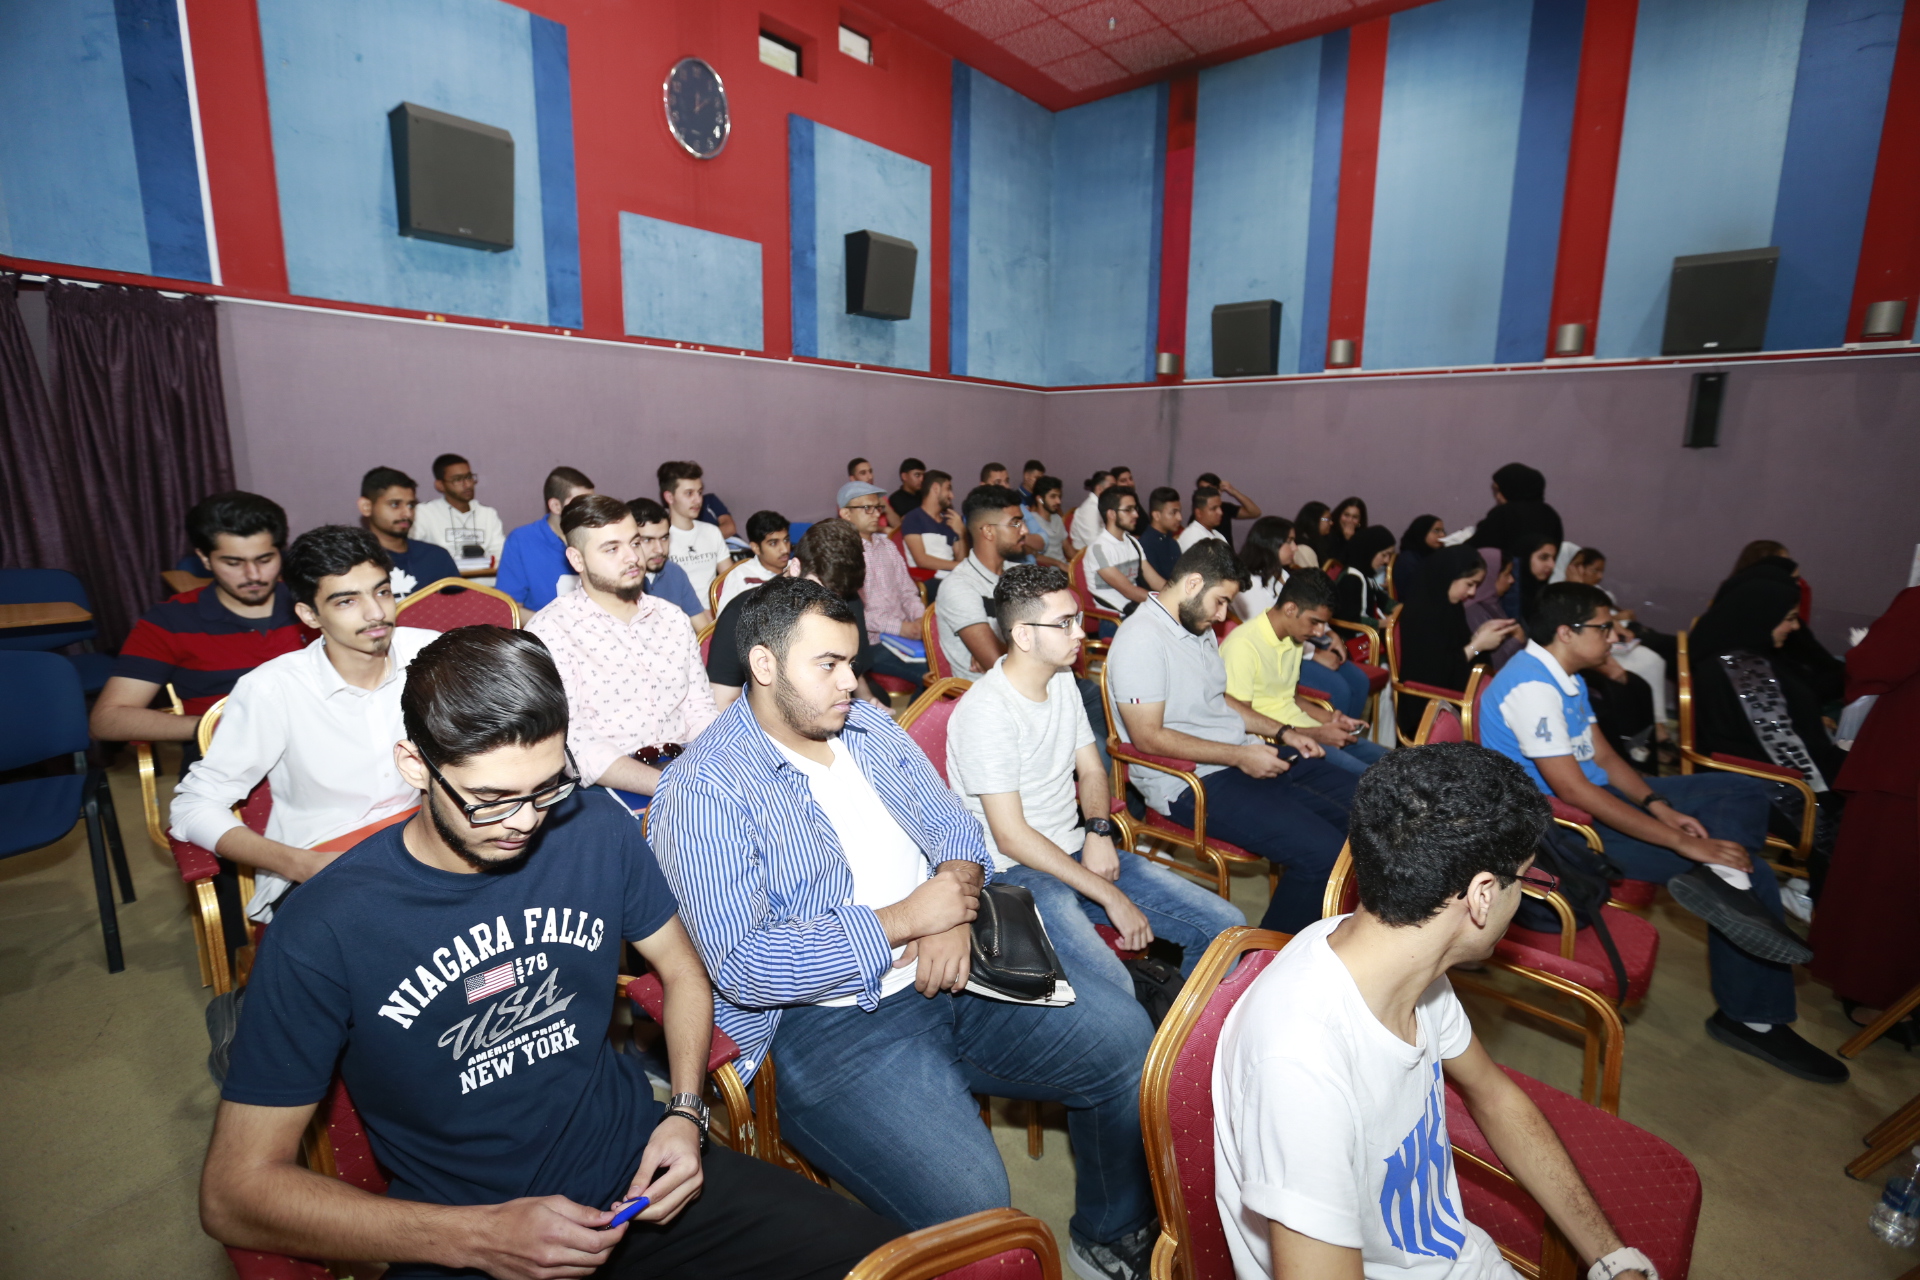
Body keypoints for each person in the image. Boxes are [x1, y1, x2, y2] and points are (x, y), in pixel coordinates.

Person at [198, 625, 900, 1280]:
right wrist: (478, 1237)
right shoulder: (325, 925)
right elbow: (234, 1195)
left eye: (545, 787)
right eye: (491, 798)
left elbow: (682, 970)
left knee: (888, 1263)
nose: (526, 822)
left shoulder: (591, 826)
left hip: (638, 1177)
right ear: (415, 765)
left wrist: (686, 1114)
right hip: (464, 1234)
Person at [651, 577, 1160, 1278]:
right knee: (977, 1211)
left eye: (852, 662)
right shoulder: (704, 789)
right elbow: (746, 966)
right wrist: (906, 920)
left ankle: (1109, 1230)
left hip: (958, 960)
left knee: (1126, 1044)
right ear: (764, 666)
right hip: (828, 1023)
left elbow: (959, 830)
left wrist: (951, 911)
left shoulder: (868, 727)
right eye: (828, 664)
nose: (850, 682)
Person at [1214, 743, 1661, 1280]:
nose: (1524, 897)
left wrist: (1614, 1260)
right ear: (1482, 895)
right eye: (1527, 880)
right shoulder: (1300, 1065)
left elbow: (1493, 1095)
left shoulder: (1398, 958)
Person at [1480, 582, 1844, 1083]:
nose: (1615, 636)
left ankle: (1722, 878)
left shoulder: (1564, 675)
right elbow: (1575, 790)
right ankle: (1752, 1020)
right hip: (1562, 829)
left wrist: (1659, 806)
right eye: (1604, 627)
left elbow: (1605, 757)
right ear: (1566, 632)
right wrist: (1682, 841)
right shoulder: (1532, 688)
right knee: (1753, 871)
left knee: (1742, 790)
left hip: (1594, 796)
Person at [947, 563, 1243, 1005]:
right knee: (1116, 991)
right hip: (1015, 874)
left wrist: (1099, 831)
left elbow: (1090, 769)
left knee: (1226, 926)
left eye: (1078, 619)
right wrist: (1109, 894)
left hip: (1072, 848)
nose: (1080, 633)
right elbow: (1010, 837)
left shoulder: (1062, 677)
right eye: (1065, 623)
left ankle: (1190, 1035)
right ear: (1024, 635)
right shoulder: (986, 712)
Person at [169, 526, 432, 925]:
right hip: (321, 856)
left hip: (427, 838)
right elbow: (193, 806)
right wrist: (302, 864)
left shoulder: (431, 653)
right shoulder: (272, 690)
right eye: (347, 601)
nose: (376, 612)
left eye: (382, 592)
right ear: (309, 614)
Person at [1107, 540, 1357, 935]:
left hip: (1236, 756)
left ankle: (1338, 933)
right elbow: (1147, 737)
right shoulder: (1141, 638)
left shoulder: (1196, 622)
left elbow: (1219, 699)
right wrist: (1239, 756)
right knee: (1323, 854)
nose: (1224, 615)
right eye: (1221, 601)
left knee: (1365, 805)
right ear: (1192, 584)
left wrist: (1285, 732)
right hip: (1189, 782)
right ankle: (1269, 959)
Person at [526, 495, 718, 814]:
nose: (633, 557)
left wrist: (721, 765)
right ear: (577, 559)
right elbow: (573, 741)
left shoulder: (672, 618)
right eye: (612, 549)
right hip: (605, 789)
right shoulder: (551, 631)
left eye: (635, 542)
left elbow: (699, 709)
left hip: (690, 769)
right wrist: (672, 785)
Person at [93, 491, 307, 747]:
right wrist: (215, 727)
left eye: (265, 559)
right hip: (223, 754)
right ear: (205, 559)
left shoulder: (313, 605)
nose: (254, 575)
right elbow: (107, 720)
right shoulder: (171, 621)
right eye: (233, 563)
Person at [1810, 584, 1920, 1044]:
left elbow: (1873, 663)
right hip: (1905, 767)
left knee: (1884, 887)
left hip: (1904, 763)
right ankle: (1889, 996)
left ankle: (1876, 995)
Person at [1688, 572, 1845, 833]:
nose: (1795, 627)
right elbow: (1784, 748)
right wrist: (1828, 793)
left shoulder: (1741, 656)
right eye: (1789, 619)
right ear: (1762, 618)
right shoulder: (1747, 672)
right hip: (1768, 784)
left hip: (1752, 772)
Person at [707, 519, 907, 709]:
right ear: (795, 568)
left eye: (837, 597)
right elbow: (723, 701)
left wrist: (867, 700)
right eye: (819, 591)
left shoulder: (847, 599)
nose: (828, 603)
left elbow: (850, 669)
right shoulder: (743, 613)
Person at [1221, 570, 1388, 780]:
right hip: (1279, 744)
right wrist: (1315, 734)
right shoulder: (1243, 645)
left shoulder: (1293, 637)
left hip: (1306, 732)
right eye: (1315, 622)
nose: (1319, 632)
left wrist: (1331, 718)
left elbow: (1291, 698)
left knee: (1394, 761)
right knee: (1374, 780)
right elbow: (1241, 721)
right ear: (1290, 609)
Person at [1393, 547, 1521, 741]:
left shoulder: (1450, 606)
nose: (1472, 592)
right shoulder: (1422, 613)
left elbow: (1454, 652)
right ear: (1449, 576)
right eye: (1469, 584)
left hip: (1453, 696)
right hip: (1427, 708)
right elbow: (1433, 674)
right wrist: (1477, 645)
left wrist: (1479, 635)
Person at [933, 484, 1030, 679]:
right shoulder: (959, 586)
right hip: (994, 692)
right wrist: (998, 651)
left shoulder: (1021, 574)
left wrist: (1002, 647)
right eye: (1015, 523)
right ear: (988, 531)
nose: (1024, 530)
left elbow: (1057, 633)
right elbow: (999, 666)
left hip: (1037, 680)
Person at [496, 466, 594, 613]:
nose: (590, 511)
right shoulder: (521, 541)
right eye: (580, 504)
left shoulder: (599, 536)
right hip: (542, 624)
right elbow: (510, 608)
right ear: (556, 506)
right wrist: (550, 623)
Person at [838, 480, 925, 646]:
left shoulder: (887, 546)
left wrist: (920, 619)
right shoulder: (841, 554)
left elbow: (907, 591)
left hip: (906, 632)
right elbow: (850, 612)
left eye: (878, 507)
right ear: (846, 514)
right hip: (872, 641)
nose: (877, 514)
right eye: (867, 508)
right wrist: (900, 628)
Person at [356, 467, 460, 598]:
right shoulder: (354, 562)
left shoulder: (436, 557)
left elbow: (460, 607)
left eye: (411, 505)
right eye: (395, 504)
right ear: (366, 507)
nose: (407, 513)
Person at [408, 453, 505, 577]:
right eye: (458, 480)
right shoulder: (424, 513)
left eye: (469, 477)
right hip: (445, 583)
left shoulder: (488, 514)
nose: (467, 484)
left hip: (485, 583)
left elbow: (500, 554)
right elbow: (412, 552)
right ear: (440, 485)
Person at [1084, 486, 1165, 624]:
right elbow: (1129, 591)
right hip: (1114, 619)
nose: (1136, 514)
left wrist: (1179, 593)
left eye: (1135, 509)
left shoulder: (1132, 541)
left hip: (1136, 612)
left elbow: (1154, 580)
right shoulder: (1098, 549)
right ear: (1111, 514)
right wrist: (1168, 600)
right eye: (1128, 510)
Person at [626, 497, 711, 629]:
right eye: (648, 540)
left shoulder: (674, 572)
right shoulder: (619, 580)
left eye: (664, 538)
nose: (659, 549)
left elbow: (702, 628)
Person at [657, 461, 729, 598]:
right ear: (669, 497)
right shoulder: (659, 538)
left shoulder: (712, 532)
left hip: (716, 608)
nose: (698, 500)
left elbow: (730, 579)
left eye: (699, 492)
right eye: (689, 493)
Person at [1468, 462, 1563, 554]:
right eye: (1496, 491)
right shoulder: (1550, 515)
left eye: (1501, 490)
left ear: (1512, 488)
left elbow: (1473, 548)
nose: (1498, 496)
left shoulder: (1505, 513)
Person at [715, 510, 791, 613]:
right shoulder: (741, 577)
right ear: (756, 548)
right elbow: (727, 620)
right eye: (773, 543)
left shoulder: (797, 568)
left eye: (786, 540)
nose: (785, 549)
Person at [1464, 549, 1523, 672]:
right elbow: (1489, 663)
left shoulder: (1492, 603)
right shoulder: (1472, 611)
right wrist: (1517, 640)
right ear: (1491, 577)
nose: (1512, 580)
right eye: (1507, 574)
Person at [901, 469, 967, 578]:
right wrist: (961, 567)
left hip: (951, 577)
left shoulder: (949, 520)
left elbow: (961, 559)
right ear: (936, 488)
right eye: (948, 489)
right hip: (927, 578)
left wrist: (961, 534)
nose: (952, 496)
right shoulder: (913, 518)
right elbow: (921, 560)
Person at [1230, 516, 1296, 623]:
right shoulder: (1248, 583)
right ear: (1270, 544)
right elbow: (1261, 625)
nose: (1295, 548)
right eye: (1289, 541)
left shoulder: (1281, 572)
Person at [1331, 523, 1394, 624]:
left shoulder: (1367, 574)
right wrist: (1382, 623)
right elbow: (1349, 620)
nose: (1387, 561)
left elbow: (1383, 601)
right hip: (1354, 632)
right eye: (1384, 555)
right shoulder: (1351, 579)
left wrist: (1400, 608)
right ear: (1370, 552)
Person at [1504, 531, 1559, 626]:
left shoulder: (1544, 593)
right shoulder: (1508, 595)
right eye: (1543, 558)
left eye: (1554, 558)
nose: (1552, 565)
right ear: (1525, 557)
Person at [1195, 472, 1261, 548]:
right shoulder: (1197, 513)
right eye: (1202, 489)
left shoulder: (1225, 508)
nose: (1206, 493)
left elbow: (1255, 512)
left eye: (1210, 489)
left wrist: (1233, 491)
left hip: (1227, 552)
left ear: (1219, 490)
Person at [1139, 486, 1185, 581]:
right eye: (1173, 513)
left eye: (1179, 512)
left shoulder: (1172, 542)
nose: (1179, 518)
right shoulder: (1146, 545)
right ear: (1156, 515)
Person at [1023, 475, 1070, 569]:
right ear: (1039, 499)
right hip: (1047, 570)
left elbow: (1067, 547)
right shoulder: (1031, 522)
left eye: (1059, 496)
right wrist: (1058, 564)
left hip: (1064, 567)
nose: (1058, 501)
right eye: (1053, 496)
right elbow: (1032, 554)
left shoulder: (1057, 518)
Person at [1394, 513, 1444, 600]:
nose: (1442, 535)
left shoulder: (1435, 555)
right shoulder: (1408, 560)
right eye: (1436, 531)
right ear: (1422, 532)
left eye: (1443, 531)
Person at [1177, 485, 1230, 553]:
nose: (1220, 512)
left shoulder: (1218, 535)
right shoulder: (1192, 537)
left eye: (1220, 507)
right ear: (1199, 513)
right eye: (1214, 508)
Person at [1070, 470, 1114, 551]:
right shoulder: (1089, 509)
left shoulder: (1104, 505)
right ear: (1099, 489)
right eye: (1112, 486)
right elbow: (1094, 544)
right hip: (1085, 555)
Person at [1326, 496, 1368, 566]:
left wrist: (1351, 541)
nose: (1349, 520)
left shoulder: (1363, 539)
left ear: (1360, 521)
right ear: (1339, 515)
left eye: (1355, 517)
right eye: (1346, 515)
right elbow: (1335, 565)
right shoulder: (1328, 533)